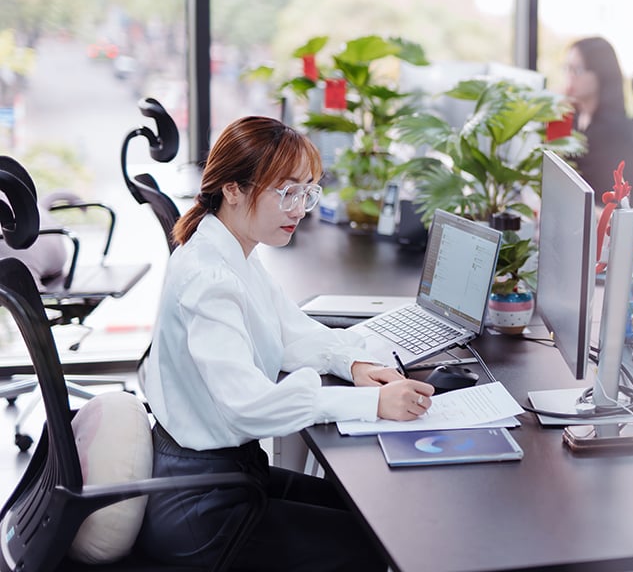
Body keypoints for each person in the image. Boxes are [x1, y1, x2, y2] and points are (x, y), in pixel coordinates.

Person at [138, 116, 434, 571]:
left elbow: (290, 331)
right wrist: (372, 404)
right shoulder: (210, 277)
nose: (300, 209)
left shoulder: (233, 252)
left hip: (231, 477)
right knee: (376, 547)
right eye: (286, 192)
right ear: (232, 189)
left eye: (307, 192)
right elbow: (248, 406)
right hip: (203, 510)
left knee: (376, 517)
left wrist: (353, 364)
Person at [563, 36, 633, 199]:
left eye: (577, 70)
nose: (570, 77)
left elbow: (575, 176)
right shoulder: (577, 116)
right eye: (567, 68)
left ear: (600, 75)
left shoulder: (612, 129)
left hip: (598, 215)